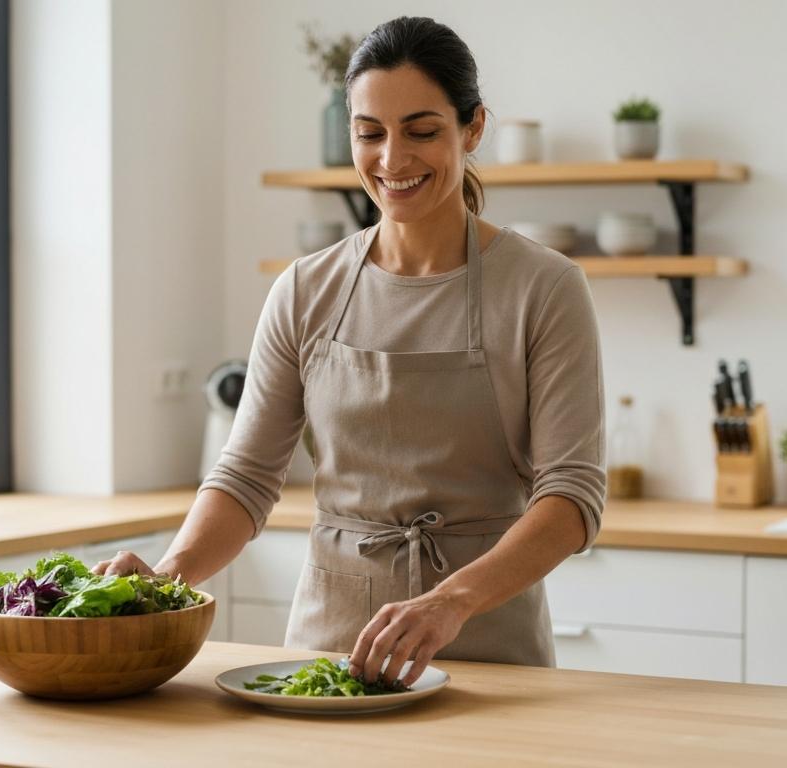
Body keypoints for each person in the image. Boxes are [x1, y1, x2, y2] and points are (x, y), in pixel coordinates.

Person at [95, 15, 605, 687]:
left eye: (422, 131)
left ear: (472, 128)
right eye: (370, 134)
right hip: (323, 656)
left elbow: (571, 498)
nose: (393, 160)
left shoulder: (545, 288)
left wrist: (450, 602)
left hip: (488, 654)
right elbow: (246, 479)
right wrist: (161, 583)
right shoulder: (307, 288)